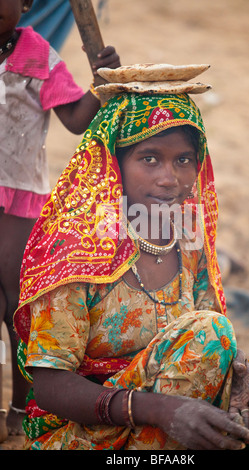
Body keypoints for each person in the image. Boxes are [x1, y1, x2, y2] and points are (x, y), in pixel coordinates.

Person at [13, 89, 249, 450]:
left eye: (184, 160)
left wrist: (240, 370)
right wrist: (159, 409)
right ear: (113, 165)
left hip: (179, 416)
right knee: (208, 329)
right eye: (149, 159)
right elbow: (51, 387)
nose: (170, 178)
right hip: (86, 431)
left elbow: (208, 338)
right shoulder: (77, 248)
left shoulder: (187, 239)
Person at [0, 0, 120, 442]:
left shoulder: (38, 55)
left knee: (18, 311)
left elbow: (75, 118)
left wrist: (103, 82)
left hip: (19, 198)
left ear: (28, 4)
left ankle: (18, 407)